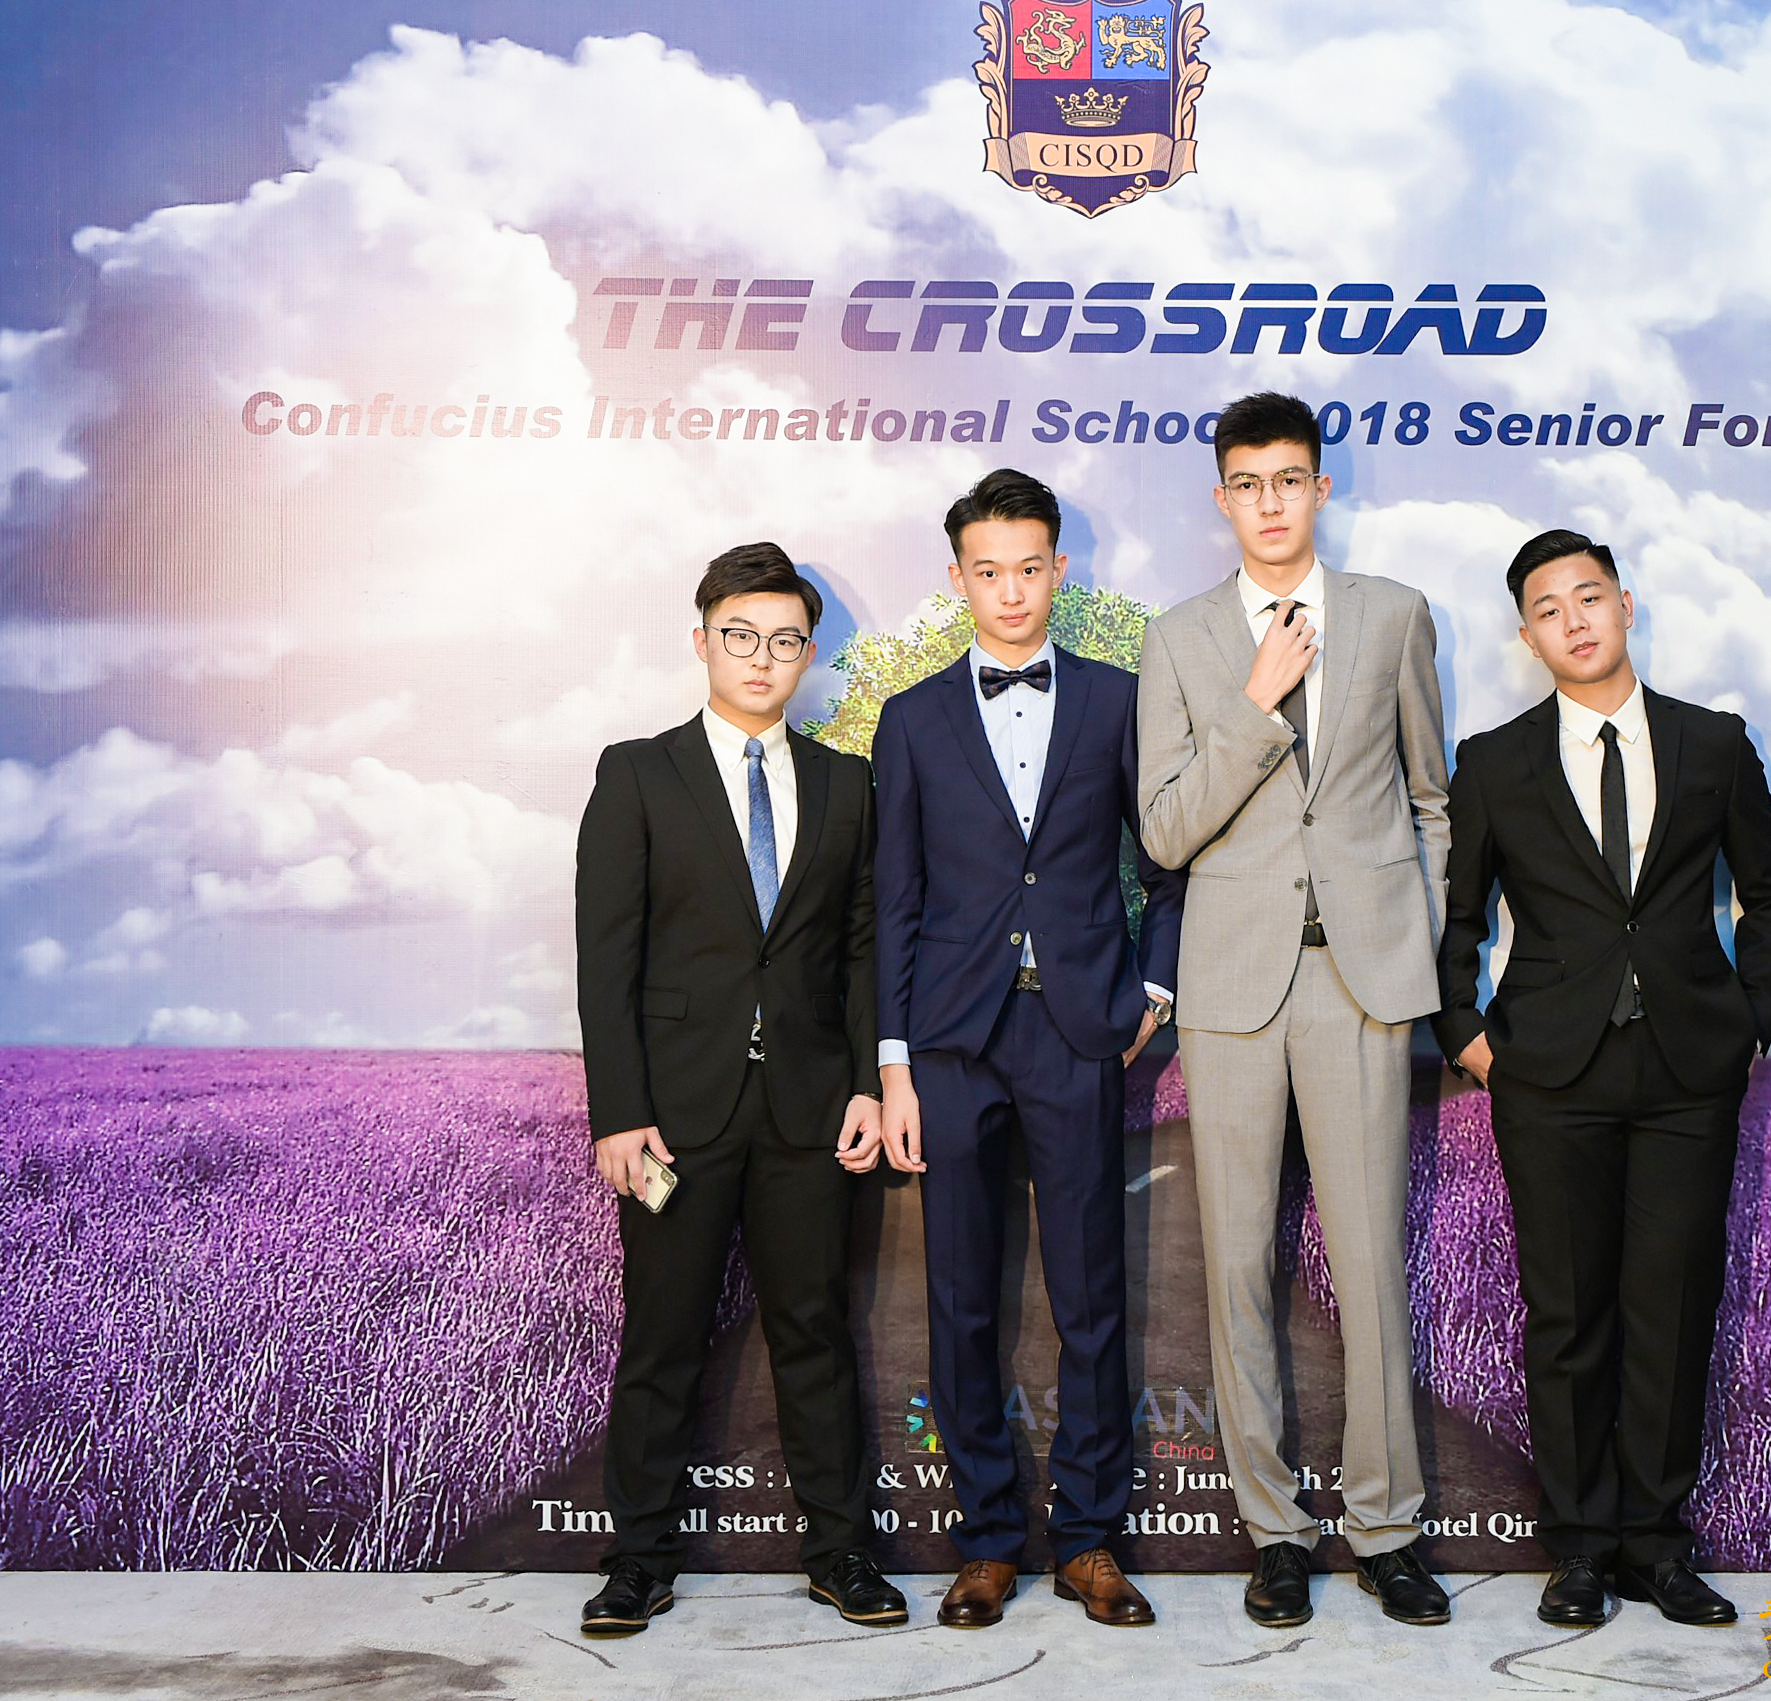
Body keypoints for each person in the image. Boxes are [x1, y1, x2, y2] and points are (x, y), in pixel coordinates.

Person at [1434, 528, 1771, 1630]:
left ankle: (1657, 1544)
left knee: (1673, 1308)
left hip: (1688, 1069)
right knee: (1567, 1313)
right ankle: (1582, 1548)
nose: (1574, 621)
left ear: (1625, 605)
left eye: (1588, 597)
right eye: (1548, 609)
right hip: (1549, 1073)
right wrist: (1468, 1036)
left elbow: (1770, 894)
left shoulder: (1712, 743)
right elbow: (1456, 919)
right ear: (1527, 636)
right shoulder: (1495, 762)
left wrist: (1749, 1022)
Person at [1134, 391, 1454, 1630]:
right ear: (1220, 498)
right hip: (1231, 987)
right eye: (1246, 483)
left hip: (1360, 984)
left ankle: (1386, 1531)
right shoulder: (1179, 640)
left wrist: (1411, 940)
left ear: (1321, 487)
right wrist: (1256, 703)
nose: (1268, 503)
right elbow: (1166, 830)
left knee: (1369, 1264)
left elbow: (1429, 800)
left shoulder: (1395, 615)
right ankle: (1273, 1532)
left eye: (1288, 479)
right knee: (1237, 1266)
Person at [872, 468, 1186, 1630]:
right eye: (987, 571)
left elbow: (1168, 863)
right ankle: (987, 1543)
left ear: (1060, 569)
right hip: (951, 1039)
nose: (1010, 591)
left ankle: (1090, 1541)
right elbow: (893, 901)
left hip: (1078, 1027)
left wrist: (1153, 983)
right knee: (960, 1300)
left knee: (1090, 1296)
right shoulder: (911, 719)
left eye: (1029, 568)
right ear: (957, 578)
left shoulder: (1118, 700)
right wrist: (893, 1062)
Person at [572, 542, 905, 1636]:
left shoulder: (846, 784)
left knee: (815, 1331)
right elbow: (606, 958)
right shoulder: (637, 773)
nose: (762, 657)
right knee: (661, 1337)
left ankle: (841, 1553)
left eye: (785, 640)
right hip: (674, 1116)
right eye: (740, 636)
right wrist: (620, 1112)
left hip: (810, 1108)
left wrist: (868, 1084)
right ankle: (637, 1560)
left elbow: (861, 950)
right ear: (702, 639)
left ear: (808, 654)